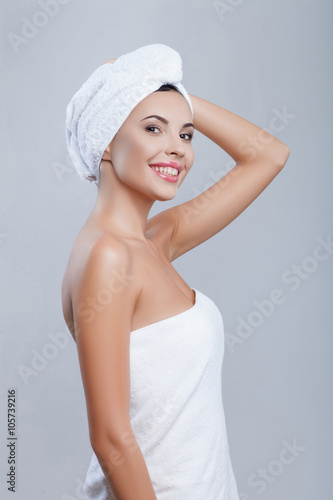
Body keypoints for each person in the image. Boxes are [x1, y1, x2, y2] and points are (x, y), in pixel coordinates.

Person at [61, 44, 290, 500]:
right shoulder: (109, 257)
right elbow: (109, 437)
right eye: (153, 128)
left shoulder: (154, 240)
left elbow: (269, 155)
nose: (177, 149)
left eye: (186, 135)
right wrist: (129, 88)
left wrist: (159, 88)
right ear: (107, 138)